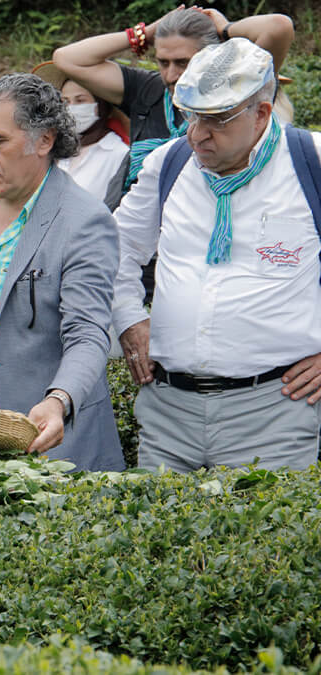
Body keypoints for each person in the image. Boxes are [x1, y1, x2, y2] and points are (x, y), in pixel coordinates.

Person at [112, 38, 321, 472]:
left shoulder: (310, 159)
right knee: (158, 536)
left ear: (261, 114)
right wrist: (129, 317)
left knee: (265, 539)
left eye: (216, 121)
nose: (196, 135)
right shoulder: (169, 162)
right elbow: (113, 250)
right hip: (168, 410)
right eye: (190, 117)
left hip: (277, 408)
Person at [0, 73, 125, 472]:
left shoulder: (85, 221)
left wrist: (58, 400)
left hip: (41, 447)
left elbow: (87, 334)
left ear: (44, 140)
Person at [53, 6, 294, 210]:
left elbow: (278, 27)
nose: (171, 75)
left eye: (183, 63)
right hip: (140, 238)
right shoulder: (148, 89)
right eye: (163, 62)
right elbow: (67, 58)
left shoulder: (237, 90)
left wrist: (225, 30)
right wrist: (144, 33)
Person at [33, 61, 130, 205]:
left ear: (101, 105)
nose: (71, 109)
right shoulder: (52, 150)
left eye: (80, 100)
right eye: (65, 102)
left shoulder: (118, 154)